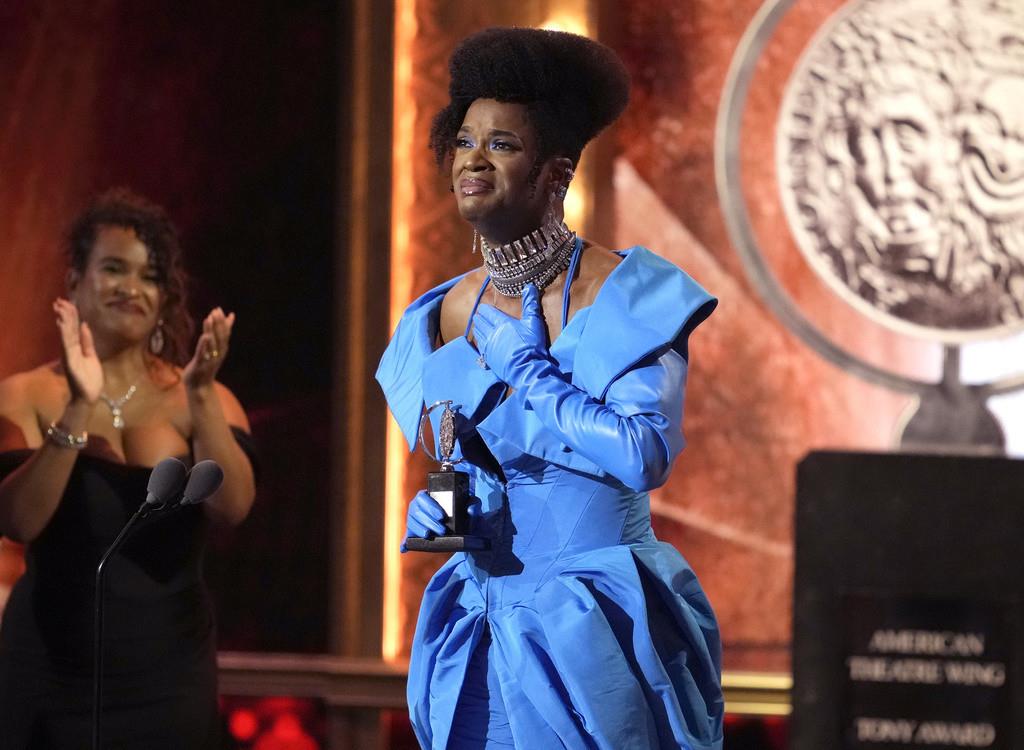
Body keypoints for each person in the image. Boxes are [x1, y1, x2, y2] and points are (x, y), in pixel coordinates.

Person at [377, 27, 723, 750]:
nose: (473, 158)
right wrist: (448, 510)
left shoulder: (628, 292)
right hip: (484, 629)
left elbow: (643, 454)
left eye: (502, 144)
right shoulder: (442, 313)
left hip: (594, 633)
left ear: (554, 174)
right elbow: (459, 463)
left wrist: (532, 373)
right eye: (465, 140)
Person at [0, 189, 256, 748]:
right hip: (48, 672)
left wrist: (202, 394)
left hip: (168, 674)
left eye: (150, 276)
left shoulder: (200, 398)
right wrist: (77, 405)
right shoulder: (23, 395)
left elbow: (233, 506)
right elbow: (19, 522)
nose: (132, 288)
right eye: (114, 268)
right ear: (74, 281)